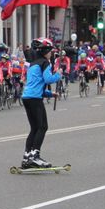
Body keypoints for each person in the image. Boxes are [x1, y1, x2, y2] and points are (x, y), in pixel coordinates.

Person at [20, 38, 62, 169]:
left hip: (27, 97)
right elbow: (48, 79)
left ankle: (27, 157)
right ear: (46, 51)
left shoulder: (33, 64)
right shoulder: (45, 63)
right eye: (50, 51)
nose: (51, 54)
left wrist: (51, 94)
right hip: (34, 99)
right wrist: (58, 75)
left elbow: (36, 84)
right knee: (43, 127)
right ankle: (35, 156)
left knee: (34, 128)